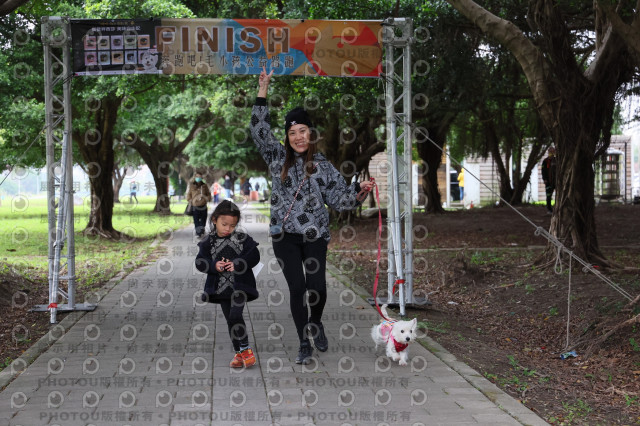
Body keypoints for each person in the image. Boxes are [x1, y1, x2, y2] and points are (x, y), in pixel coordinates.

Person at [251, 67, 374, 364]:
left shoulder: (323, 165)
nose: (298, 137)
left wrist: (359, 190)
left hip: (315, 236)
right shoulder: (276, 157)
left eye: (302, 131)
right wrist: (263, 90)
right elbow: (259, 131)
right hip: (284, 236)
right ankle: (303, 342)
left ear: (311, 133)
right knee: (297, 288)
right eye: (292, 132)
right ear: (287, 136)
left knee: (317, 287)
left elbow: (340, 199)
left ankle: (315, 322)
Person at [195, 200, 260, 368]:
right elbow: (200, 262)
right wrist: (213, 266)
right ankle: (238, 354)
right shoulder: (207, 242)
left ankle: (245, 348)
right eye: (224, 224)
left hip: (240, 287)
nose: (227, 229)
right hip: (221, 290)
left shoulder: (242, 239)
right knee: (230, 320)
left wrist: (238, 263)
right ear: (214, 220)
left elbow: (254, 256)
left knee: (235, 315)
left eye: (232, 225)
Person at [186, 172, 212, 237]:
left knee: (203, 219)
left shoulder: (204, 185)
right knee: (196, 220)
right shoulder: (192, 185)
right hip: (195, 206)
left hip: (203, 205)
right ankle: (198, 232)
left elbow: (208, 194)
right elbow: (188, 195)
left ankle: (202, 230)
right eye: (197, 176)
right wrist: (190, 200)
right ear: (195, 177)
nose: (198, 178)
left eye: (200, 177)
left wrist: (206, 199)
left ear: (201, 178)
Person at [541, 146, 557, 214]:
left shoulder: (557, 160)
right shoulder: (545, 161)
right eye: (550, 151)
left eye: (553, 151)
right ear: (548, 152)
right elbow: (543, 171)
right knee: (548, 195)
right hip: (548, 181)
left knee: (558, 195)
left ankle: (557, 208)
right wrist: (544, 179)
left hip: (556, 181)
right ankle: (549, 209)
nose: (551, 153)